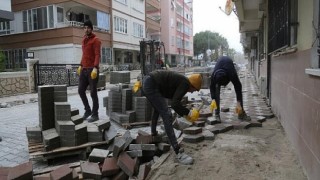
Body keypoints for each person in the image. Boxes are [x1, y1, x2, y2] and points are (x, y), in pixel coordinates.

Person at [142, 70, 202, 165]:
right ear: (192, 85)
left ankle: (154, 135)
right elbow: (174, 104)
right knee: (167, 114)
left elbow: (175, 101)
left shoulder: (183, 82)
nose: (192, 92)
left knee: (158, 109)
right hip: (151, 84)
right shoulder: (185, 84)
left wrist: (184, 113)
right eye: (194, 90)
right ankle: (178, 152)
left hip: (148, 81)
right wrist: (188, 113)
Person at [209, 56, 251, 122]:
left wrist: (239, 103)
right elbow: (211, 87)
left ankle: (241, 113)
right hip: (219, 65)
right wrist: (213, 99)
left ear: (228, 80)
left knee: (238, 87)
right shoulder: (214, 75)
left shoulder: (232, 74)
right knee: (216, 92)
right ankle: (217, 114)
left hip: (228, 63)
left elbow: (238, 86)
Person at [77, 20, 101, 122]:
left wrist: (95, 67)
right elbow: (84, 54)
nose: (86, 29)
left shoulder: (96, 40)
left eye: (88, 28)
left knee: (93, 93)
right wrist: (80, 65)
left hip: (92, 70)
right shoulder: (83, 40)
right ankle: (88, 110)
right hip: (84, 69)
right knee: (80, 90)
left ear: (91, 29)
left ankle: (95, 114)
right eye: (85, 28)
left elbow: (97, 54)